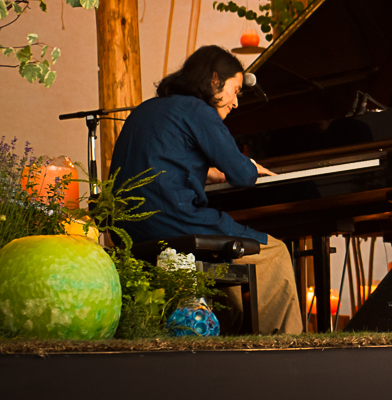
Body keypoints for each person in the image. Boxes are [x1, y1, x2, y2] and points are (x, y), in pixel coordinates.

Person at [111, 45, 303, 335]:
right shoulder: (199, 111)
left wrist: (206, 174)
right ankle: (284, 346)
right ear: (215, 80)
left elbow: (157, 167)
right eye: (235, 91)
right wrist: (251, 166)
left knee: (225, 250)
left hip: (129, 231)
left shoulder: (145, 110)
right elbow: (241, 175)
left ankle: (229, 336)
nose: (236, 103)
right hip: (172, 222)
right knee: (275, 251)